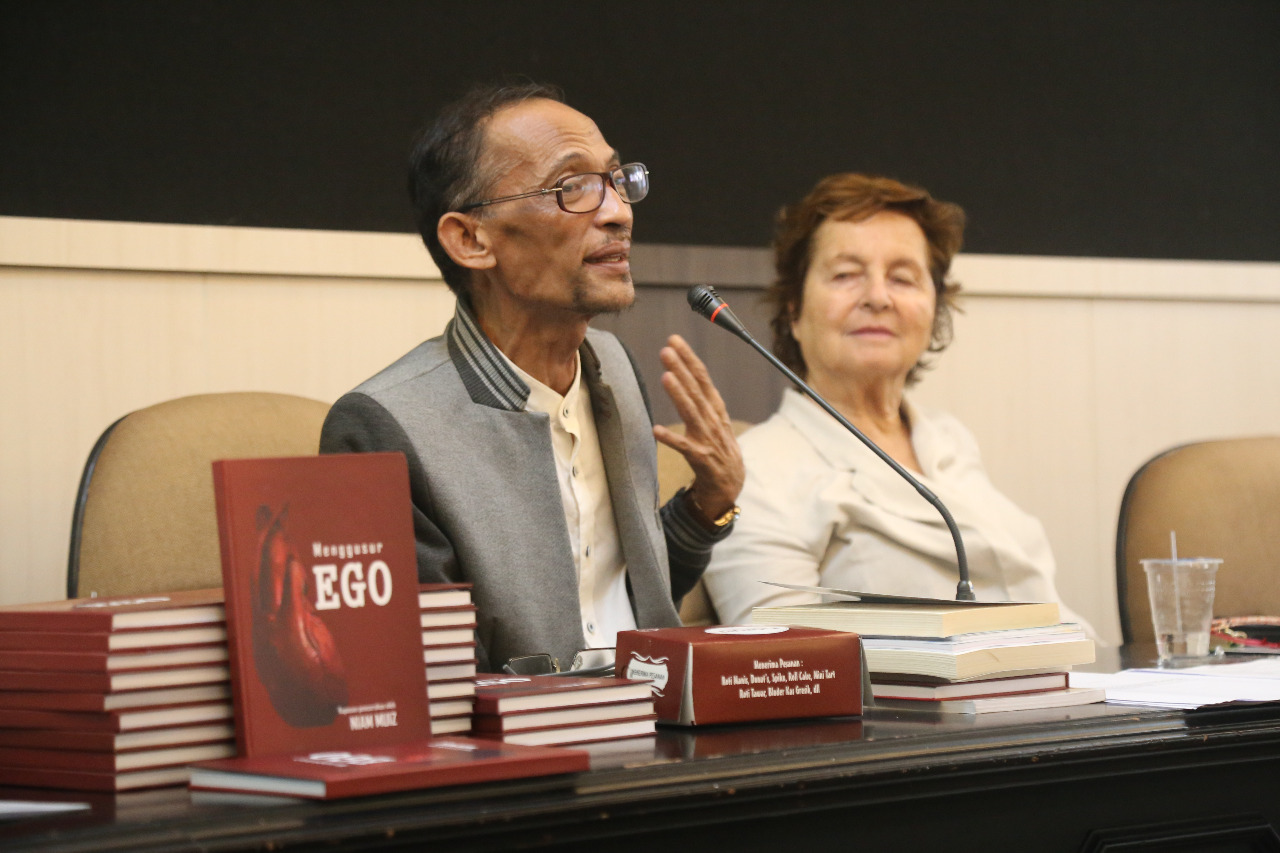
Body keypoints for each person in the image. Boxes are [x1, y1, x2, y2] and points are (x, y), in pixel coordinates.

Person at [320, 82, 744, 672]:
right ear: (470, 240)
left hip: (654, 733)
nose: (619, 212)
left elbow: (622, 599)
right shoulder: (385, 427)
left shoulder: (612, 368)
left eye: (618, 181)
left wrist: (709, 505)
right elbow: (429, 680)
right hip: (532, 751)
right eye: (572, 188)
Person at [702, 173, 1091, 631]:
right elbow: (786, 662)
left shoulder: (949, 440)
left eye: (903, 278)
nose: (878, 298)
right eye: (846, 275)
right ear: (793, 309)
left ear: (934, 307)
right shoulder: (755, 470)